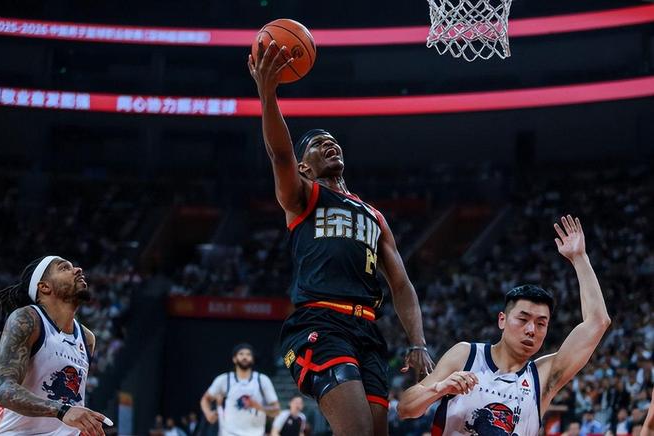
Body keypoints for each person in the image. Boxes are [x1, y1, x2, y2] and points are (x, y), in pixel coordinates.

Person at [247, 40, 434, 436]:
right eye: (317, 144)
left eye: (332, 140)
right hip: (320, 321)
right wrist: (268, 96)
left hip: (367, 331)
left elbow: (401, 285)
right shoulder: (303, 196)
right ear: (304, 167)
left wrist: (417, 341)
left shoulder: (374, 215)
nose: (329, 143)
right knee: (357, 430)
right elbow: (280, 155)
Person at [398, 216, 612, 436]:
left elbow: (598, 322)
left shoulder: (542, 376)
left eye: (541, 323)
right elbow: (405, 408)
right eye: (523, 319)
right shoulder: (466, 355)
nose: (531, 330)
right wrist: (439, 389)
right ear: (502, 319)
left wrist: (579, 258)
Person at [0, 256, 110, 436]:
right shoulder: (28, 319)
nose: (78, 269)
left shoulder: (87, 338)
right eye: (64, 268)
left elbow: (71, 402)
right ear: (44, 287)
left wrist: (82, 425)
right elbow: (4, 391)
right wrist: (63, 411)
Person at [200, 343, 279, 436]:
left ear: (253, 359)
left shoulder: (262, 380)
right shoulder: (224, 379)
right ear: (234, 359)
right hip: (230, 433)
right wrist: (208, 413)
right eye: (241, 354)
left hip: (255, 433)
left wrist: (259, 407)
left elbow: (276, 410)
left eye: (248, 354)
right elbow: (205, 399)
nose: (245, 357)